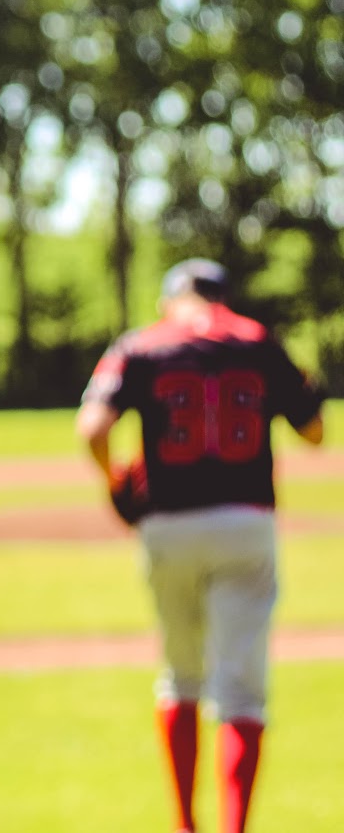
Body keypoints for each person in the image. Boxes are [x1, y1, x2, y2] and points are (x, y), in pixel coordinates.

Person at [76, 258, 325, 833]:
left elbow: (92, 428)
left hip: (168, 524)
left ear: (170, 299)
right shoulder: (257, 340)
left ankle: (185, 824)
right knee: (241, 695)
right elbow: (313, 432)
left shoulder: (143, 343)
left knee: (180, 677)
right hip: (246, 519)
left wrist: (115, 478)